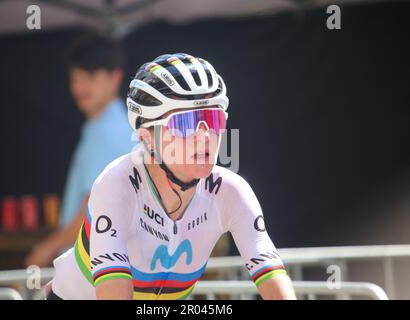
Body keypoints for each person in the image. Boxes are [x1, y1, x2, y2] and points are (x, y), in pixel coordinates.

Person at [47, 53, 296, 300]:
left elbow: (276, 285)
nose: (205, 136)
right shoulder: (117, 184)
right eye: (185, 123)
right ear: (146, 137)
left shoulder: (231, 191)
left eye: (213, 118)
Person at [25, 32, 136, 267]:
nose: (80, 87)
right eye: (75, 78)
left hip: (98, 267)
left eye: (91, 76)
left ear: (115, 77)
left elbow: (93, 209)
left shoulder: (107, 130)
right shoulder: (112, 123)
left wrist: (47, 247)